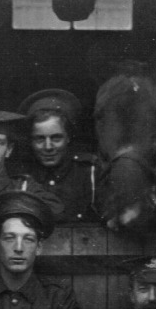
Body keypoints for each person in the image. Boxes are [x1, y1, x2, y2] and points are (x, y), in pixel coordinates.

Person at [17, 89, 99, 223]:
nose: (48, 147)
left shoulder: (91, 172)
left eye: (56, 138)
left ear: (68, 138)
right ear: (30, 141)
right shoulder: (19, 176)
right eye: (39, 139)